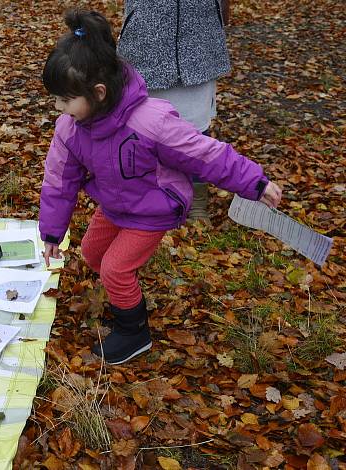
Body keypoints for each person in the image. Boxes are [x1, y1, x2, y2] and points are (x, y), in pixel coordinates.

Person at [38, 10, 281, 365]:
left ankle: (134, 332)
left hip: (152, 209)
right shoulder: (70, 129)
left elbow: (205, 155)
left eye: (65, 100)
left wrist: (254, 183)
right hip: (115, 205)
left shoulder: (150, 122)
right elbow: (59, 182)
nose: (59, 108)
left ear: (99, 93)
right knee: (92, 255)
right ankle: (125, 299)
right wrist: (52, 232)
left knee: (115, 269)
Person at [117, 0, 232, 220]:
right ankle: (144, 194)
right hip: (146, 39)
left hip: (199, 40)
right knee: (141, 126)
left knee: (195, 128)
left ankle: (196, 200)